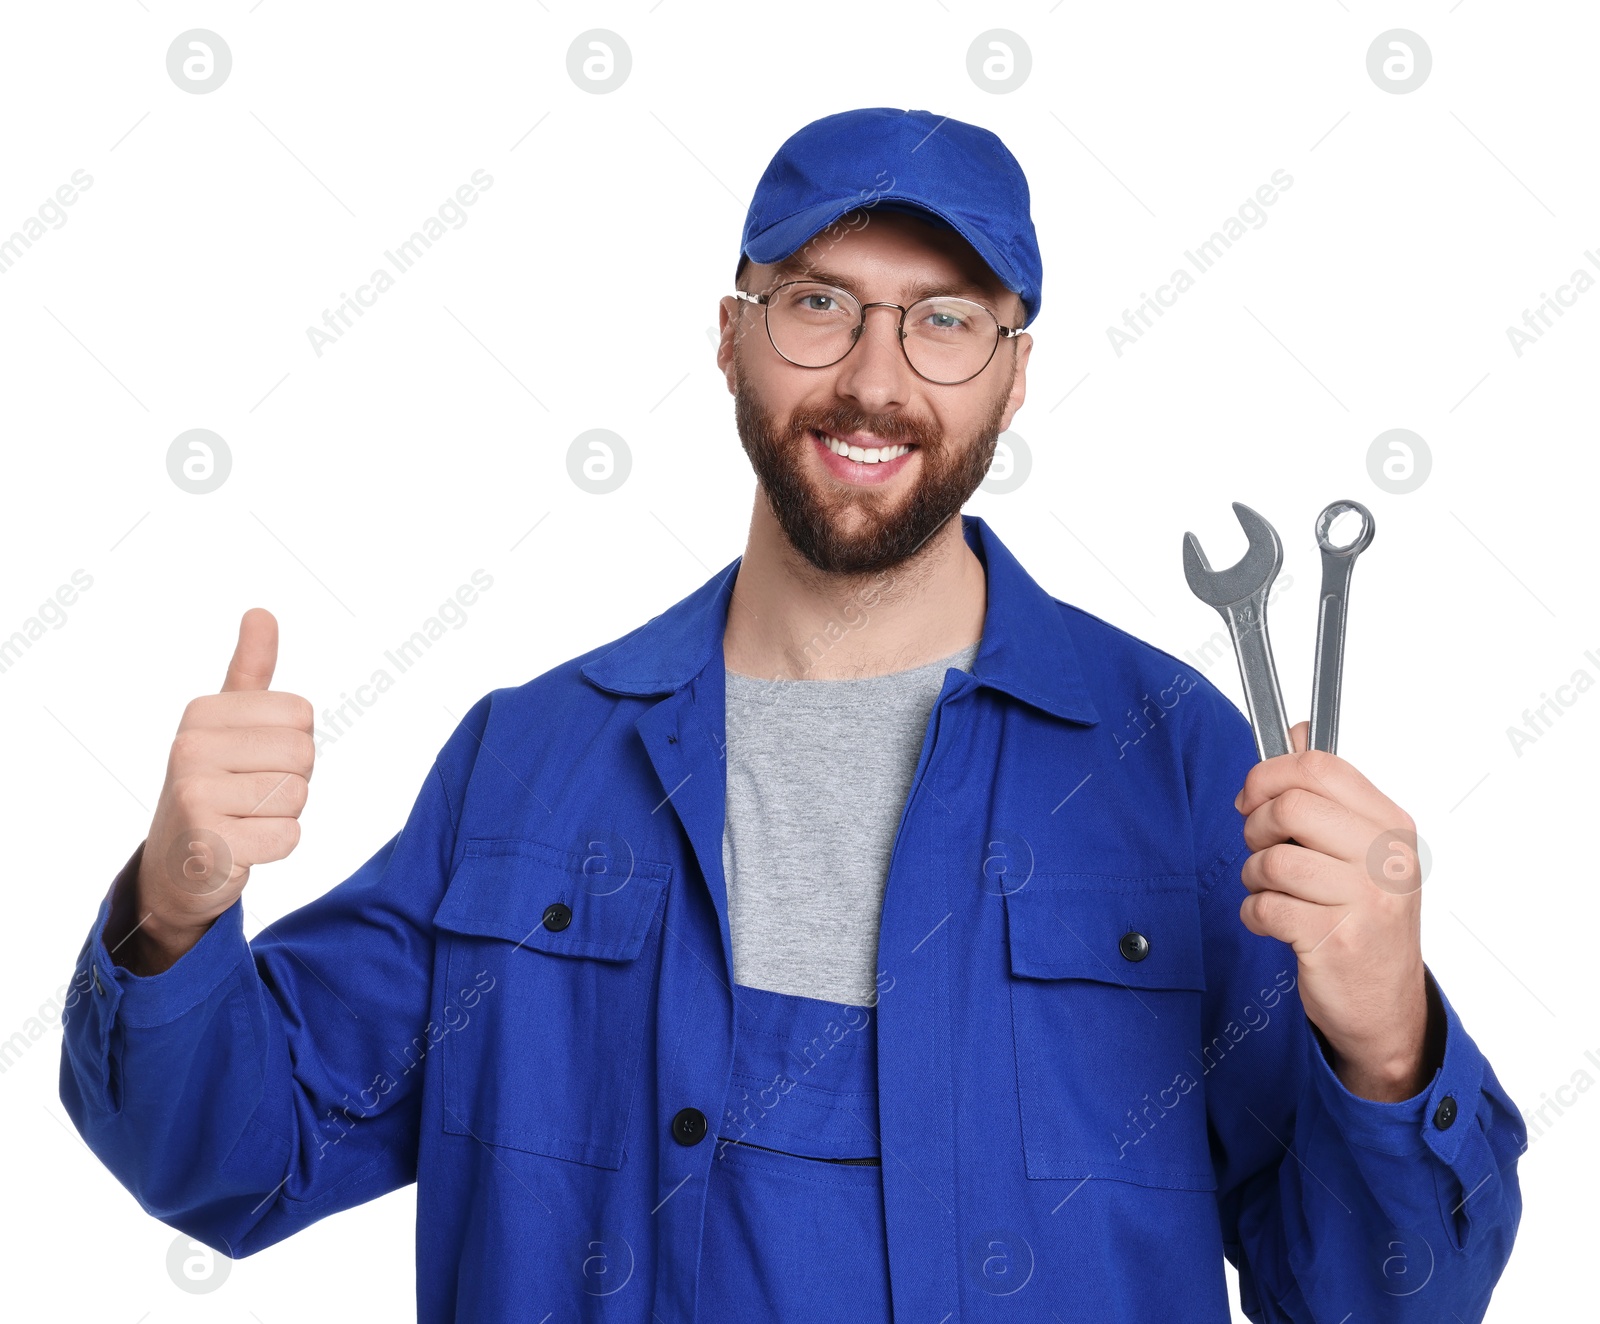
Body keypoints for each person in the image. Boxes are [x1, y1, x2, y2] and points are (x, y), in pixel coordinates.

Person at [60, 106, 1524, 1322]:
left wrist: (1385, 1037)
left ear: (1015, 375)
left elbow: (1371, 1299)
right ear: (732, 337)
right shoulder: (533, 765)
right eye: (820, 303)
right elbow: (232, 1164)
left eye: (947, 321)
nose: (876, 380)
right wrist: (180, 909)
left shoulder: (1177, 762)